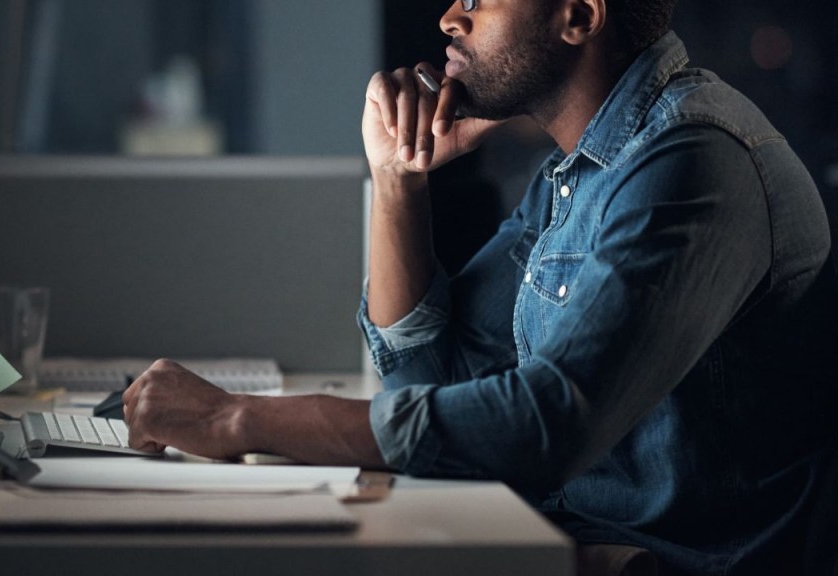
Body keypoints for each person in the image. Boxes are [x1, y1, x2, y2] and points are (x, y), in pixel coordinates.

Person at [122, 0, 837, 573]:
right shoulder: (576, 173)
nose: (448, 19)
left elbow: (545, 425)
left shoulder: (693, 164)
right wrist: (398, 179)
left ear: (578, 17)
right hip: (561, 538)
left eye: (477, 0)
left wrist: (236, 420)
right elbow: (424, 381)